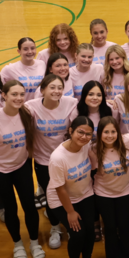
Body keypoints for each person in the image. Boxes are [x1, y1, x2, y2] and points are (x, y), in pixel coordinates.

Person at [0, 80, 45, 258]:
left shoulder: (27, 113)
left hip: (22, 165)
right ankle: (18, 244)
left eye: (21, 94)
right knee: (10, 208)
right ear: (4, 95)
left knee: (29, 205)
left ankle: (34, 243)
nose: (19, 98)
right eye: (14, 94)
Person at [26, 73, 79, 249]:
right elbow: (11, 112)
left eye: (60, 88)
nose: (57, 91)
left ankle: (71, 226)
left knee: (69, 193)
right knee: (52, 196)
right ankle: (55, 227)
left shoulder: (70, 103)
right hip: (43, 161)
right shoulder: (31, 106)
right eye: (52, 87)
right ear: (42, 90)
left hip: (66, 159)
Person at [48, 116, 99, 258]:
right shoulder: (58, 158)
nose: (84, 137)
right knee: (78, 233)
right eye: (80, 132)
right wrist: (70, 212)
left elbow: (94, 165)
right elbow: (60, 189)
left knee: (90, 231)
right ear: (71, 131)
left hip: (84, 194)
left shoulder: (86, 147)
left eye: (88, 134)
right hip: (61, 199)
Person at [93, 116, 129, 258]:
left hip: (126, 191)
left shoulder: (127, 142)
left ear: (118, 132)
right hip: (103, 194)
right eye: (106, 132)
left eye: (113, 132)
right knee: (110, 227)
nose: (110, 135)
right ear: (99, 133)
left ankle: (128, 256)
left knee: (124, 225)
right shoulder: (93, 149)